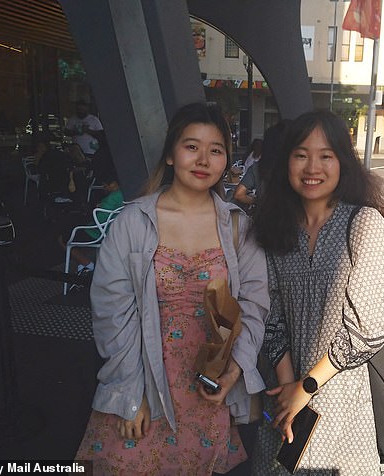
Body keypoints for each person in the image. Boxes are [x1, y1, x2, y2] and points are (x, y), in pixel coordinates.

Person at [75, 102, 269, 475]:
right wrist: (130, 395)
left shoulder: (237, 228)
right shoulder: (133, 223)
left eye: (215, 150)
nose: (203, 159)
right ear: (170, 154)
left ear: (226, 161)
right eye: (191, 146)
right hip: (143, 382)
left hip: (207, 389)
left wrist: (231, 374)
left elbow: (254, 306)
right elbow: (112, 314)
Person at [251, 111, 384, 475]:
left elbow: (370, 326)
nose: (311, 167)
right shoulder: (276, 227)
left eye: (326, 155)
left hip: (343, 395)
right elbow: (270, 313)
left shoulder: (363, 224)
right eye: (300, 155)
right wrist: (288, 387)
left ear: (342, 162)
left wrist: (307, 386)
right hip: (285, 390)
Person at [57, 169, 123, 278]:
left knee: (63, 239)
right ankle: (84, 266)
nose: (104, 188)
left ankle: (88, 265)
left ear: (113, 184)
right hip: (115, 232)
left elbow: (99, 221)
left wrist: (97, 209)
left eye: (105, 185)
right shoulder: (125, 194)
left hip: (98, 234)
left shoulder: (110, 199)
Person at [233, 122, 289, 213]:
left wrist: (258, 201)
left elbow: (238, 194)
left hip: (264, 217)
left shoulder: (257, 167)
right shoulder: (294, 169)